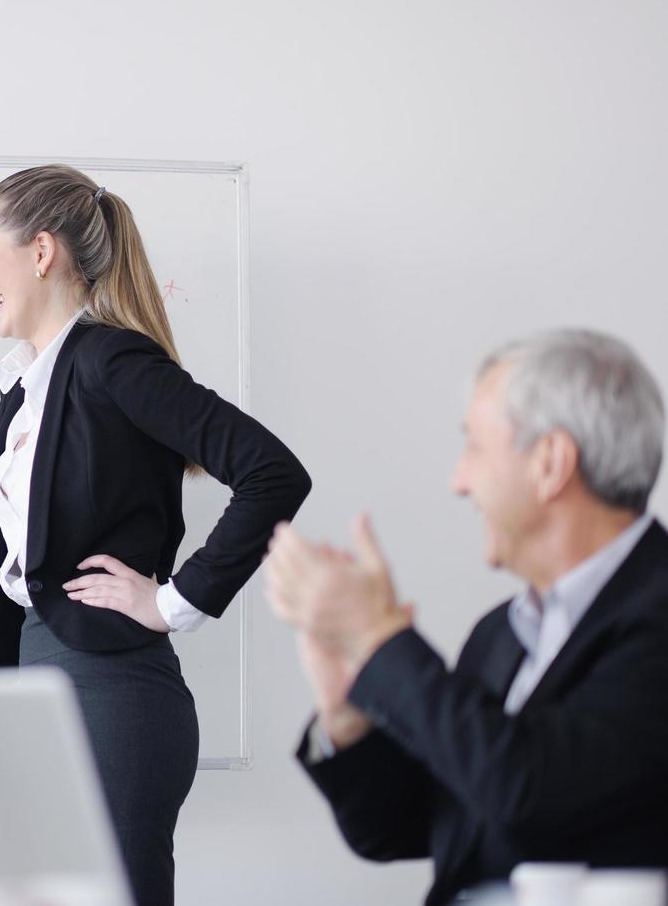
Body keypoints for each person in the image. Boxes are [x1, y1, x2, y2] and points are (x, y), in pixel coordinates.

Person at [0, 165, 312, 905]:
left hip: (110, 689)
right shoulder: (24, 394)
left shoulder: (114, 361)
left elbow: (273, 472)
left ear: (40, 252)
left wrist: (175, 602)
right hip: (37, 691)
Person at [266, 329, 668, 905]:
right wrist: (348, 716)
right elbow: (413, 828)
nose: (459, 481)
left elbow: (531, 795)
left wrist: (380, 639)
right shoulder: (500, 632)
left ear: (551, 464)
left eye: (474, 448)